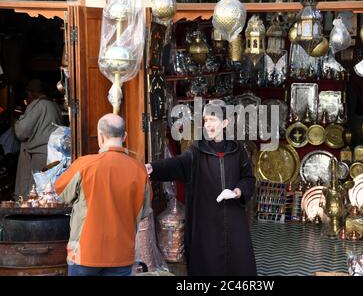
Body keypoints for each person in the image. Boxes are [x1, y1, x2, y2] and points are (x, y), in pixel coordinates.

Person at [147, 100, 257, 276]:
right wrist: (154, 168)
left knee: (239, 263)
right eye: (206, 120)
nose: (208, 125)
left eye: (213, 119)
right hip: (206, 223)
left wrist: (237, 192)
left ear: (225, 123)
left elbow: (249, 179)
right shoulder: (196, 151)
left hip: (234, 220)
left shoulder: (237, 151)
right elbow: (177, 164)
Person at [55, 114, 151, 276]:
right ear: (124, 136)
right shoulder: (140, 171)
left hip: (85, 253)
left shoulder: (84, 165)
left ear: (100, 136)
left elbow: (61, 193)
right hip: (121, 254)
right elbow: (144, 211)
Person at [14, 79, 62, 197]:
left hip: (38, 156)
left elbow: (22, 131)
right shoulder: (54, 105)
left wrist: (16, 121)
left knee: (35, 192)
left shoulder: (38, 105)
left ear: (31, 93)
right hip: (53, 154)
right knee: (47, 191)